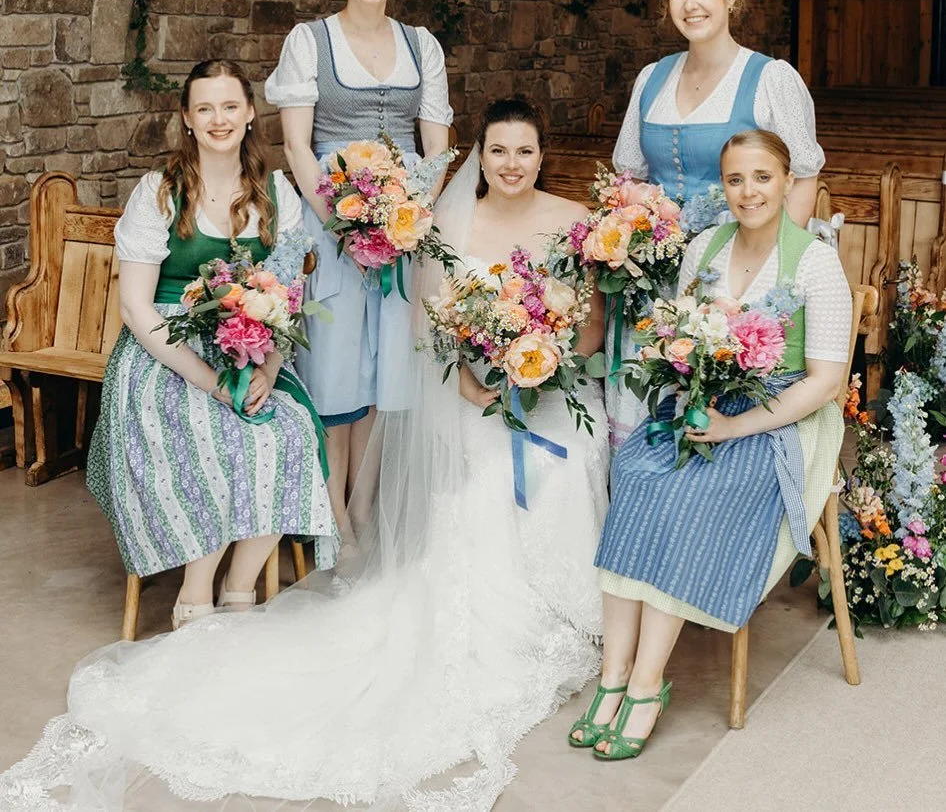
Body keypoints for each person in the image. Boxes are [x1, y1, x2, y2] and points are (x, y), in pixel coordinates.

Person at [1, 99, 609, 812]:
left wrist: (537, 369)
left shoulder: (573, 221)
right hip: (471, 388)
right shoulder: (451, 221)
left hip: (544, 388)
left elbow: (590, 325)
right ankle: (234, 591)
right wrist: (478, 378)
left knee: (570, 451)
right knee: (471, 476)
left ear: (544, 156)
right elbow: (433, 319)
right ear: (483, 155)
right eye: (498, 151)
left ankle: (561, 603)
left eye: (524, 152)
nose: (510, 164)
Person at [567, 129, 851, 761]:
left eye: (762, 177)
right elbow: (681, 337)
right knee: (638, 473)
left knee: (689, 492)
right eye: (734, 180)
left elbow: (826, 382)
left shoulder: (813, 260)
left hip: (781, 416)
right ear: (722, 187)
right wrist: (694, 394)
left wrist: (734, 425)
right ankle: (612, 678)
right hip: (705, 398)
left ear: (785, 181)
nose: (748, 192)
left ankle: (646, 685)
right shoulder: (705, 246)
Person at [83, 59, 338, 630]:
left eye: (230, 106)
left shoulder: (278, 195)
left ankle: (237, 587)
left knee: (289, 433)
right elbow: (136, 308)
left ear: (250, 114)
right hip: (164, 350)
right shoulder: (160, 191)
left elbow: (287, 297)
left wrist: (269, 368)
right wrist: (212, 382)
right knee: (206, 437)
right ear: (188, 120)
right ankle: (193, 596)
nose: (218, 119)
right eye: (205, 108)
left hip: (252, 350)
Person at [264, 0, 453, 541]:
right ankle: (333, 516)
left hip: (400, 230)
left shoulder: (422, 44)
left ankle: (366, 502)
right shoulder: (309, 40)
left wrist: (407, 219)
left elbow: (434, 144)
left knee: (385, 368)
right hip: (328, 227)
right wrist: (342, 226)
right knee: (334, 369)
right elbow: (296, 146)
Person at [607, 0, 826, 447]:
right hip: (654, 276)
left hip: (735, 278)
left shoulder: (770, 78)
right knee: (643, 402)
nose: (691, 5)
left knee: (710, 410)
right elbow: (629, 178)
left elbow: (805, 173)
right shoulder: (651, 78)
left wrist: (771, 268)